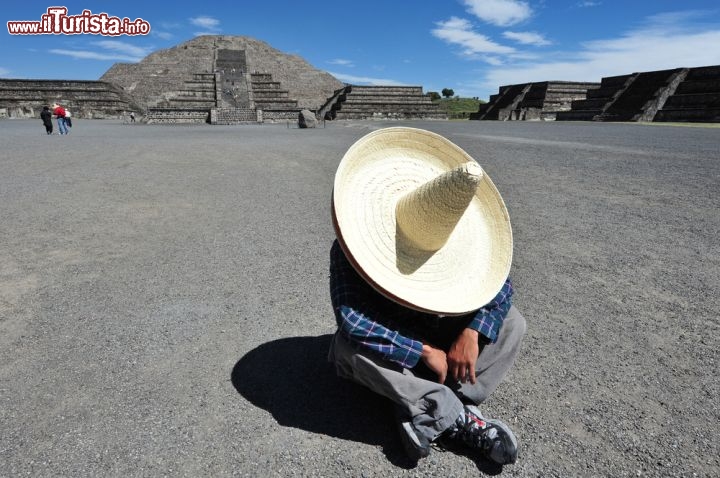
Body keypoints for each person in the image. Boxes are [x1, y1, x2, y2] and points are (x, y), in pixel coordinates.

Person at [328, 127, 526, 467]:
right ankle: (448, 411)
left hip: (443, 334)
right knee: (345, 350)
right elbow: (353, 320)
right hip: (401, 342)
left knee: (512, 322)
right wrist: (422, 350)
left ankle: (425, 402)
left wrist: (472, 331)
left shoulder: (462, 247)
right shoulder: (348, 252)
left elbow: (501, 287)